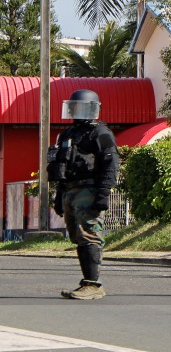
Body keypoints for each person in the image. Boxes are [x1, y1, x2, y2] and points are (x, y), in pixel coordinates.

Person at [47, 89, 120, 300]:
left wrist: (103, 194)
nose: (78, 113)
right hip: (70, 190)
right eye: (74, 108)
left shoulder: (101, 133)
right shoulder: (68, 134)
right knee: (78, 236)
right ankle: (87, 282)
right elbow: (61, 166)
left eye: (83, 108)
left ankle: (93, 285)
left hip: (89, 190)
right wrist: (59, 196)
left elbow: (111, 165)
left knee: (89, 234)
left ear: (93, 109)